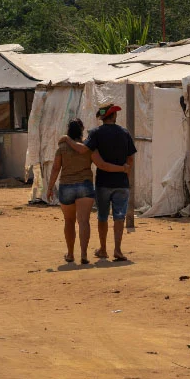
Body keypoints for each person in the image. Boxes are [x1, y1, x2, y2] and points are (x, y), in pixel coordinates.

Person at [61, 103, 136, 261]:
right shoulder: (125, 133)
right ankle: (117, 249)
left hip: (103, 183)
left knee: (103, 216)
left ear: (102, 117)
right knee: (119, 216)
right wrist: (125, 172)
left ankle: (103, 249)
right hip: (122, 182)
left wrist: (66, 139)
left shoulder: (95, 133)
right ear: (114, 115)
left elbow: (83, 150)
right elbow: (130, 158)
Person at [47, 118, 128, 264]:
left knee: (69, 221)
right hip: (85, 186)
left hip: (66, 186)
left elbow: (55, 168)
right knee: (84, 221)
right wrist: (122, 168)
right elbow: (101, 164)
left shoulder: (62, 148)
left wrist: (49, 187)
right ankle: (84, 254)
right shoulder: (88, 147)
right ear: (82, 130)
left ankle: (70, 254)